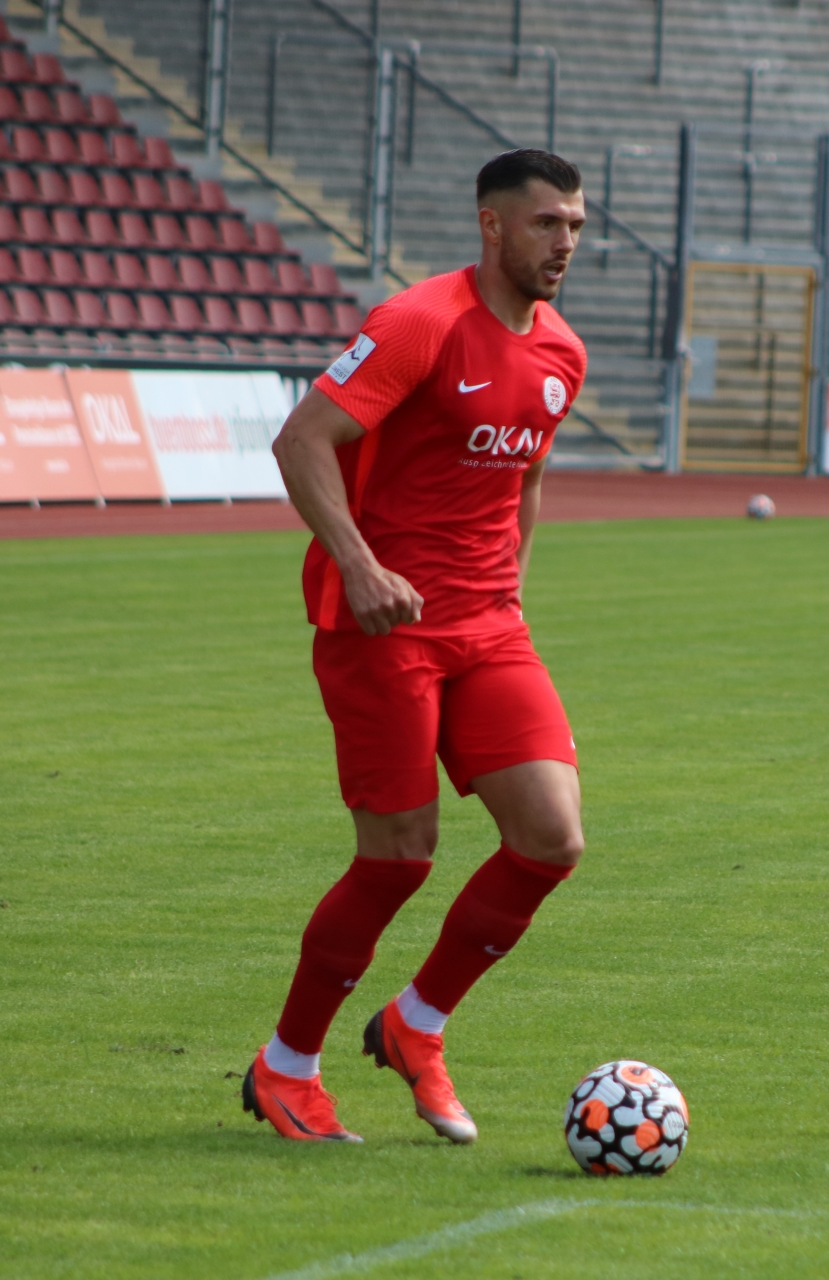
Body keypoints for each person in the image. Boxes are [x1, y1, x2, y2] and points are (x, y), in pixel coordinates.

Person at [242, 149, 590, 1145]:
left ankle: (416, 1022)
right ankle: (286, 1066)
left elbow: (525, 475)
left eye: (575, 225)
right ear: (492, 225)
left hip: (489, 627)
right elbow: (301, 439)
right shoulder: (419, 323)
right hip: (383, 624)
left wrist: (512, 585)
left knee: (551, 839)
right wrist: (358, 565)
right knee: (398, 858)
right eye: (546, 223)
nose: (565, 242)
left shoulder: (563, 351)